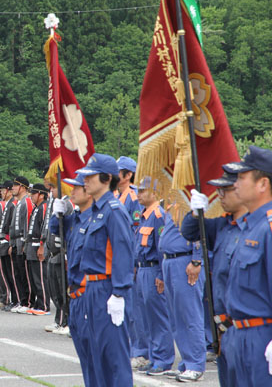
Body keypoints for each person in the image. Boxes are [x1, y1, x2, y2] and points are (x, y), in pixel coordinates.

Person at [181, 167, 247, 387]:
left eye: (226, 190)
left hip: (250, 328)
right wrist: (194, 213)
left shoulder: (260, 227)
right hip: (224, 328)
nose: (220, 197)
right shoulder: (223, 226)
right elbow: (190, 232)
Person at [75, 153, 135, 386]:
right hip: (93, 287)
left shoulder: (114, 210)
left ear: (106, 178)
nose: (85, 180)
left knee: (114, 358)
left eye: (90, 176)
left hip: (108, 289)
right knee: (97, 355)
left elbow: (123, 253)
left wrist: (119, 292)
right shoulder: (97, 210)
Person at [220, 146, 272, 386]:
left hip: (261, 337)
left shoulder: (268, 227)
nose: (236, 183)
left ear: (262, 184)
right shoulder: (250, 224)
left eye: (242, 177)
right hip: (238, 333)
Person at [51, 174, 104, 386]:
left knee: (98, 352)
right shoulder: (76, 218)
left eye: (76, 188)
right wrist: (58, 215)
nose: (71, 192)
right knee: (83, 350)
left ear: (89, 192)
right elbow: (56, 231)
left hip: (92, 290)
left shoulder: (98, 217)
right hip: (75, 293)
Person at [158, 203, 206, 382]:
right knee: (177, 317)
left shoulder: (188, 202)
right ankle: (186, 363)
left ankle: (196, 365)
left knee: (190, 315)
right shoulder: (174, 202)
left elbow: (198, 230)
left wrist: (196, 260)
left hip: (184, 260)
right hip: (170, 261)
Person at [134, 177, 175, 375]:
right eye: (138, 190)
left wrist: (160, 273)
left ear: (156, 193)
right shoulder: (145, 215)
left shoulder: (158, 215)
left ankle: (163, 359)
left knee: (158, 317)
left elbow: (161, 247)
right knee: (147, 318)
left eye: (143, 191)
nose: (138, 194)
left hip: (153, 270)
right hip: (142, 270)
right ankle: (153, 355)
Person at [116, 156, 149, 369]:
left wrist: (135, 261)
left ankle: (141, 351)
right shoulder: (118, 195)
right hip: (119, 258)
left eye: (118, 171)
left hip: (131, 259)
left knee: (136, 309)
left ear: (128, 175)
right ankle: (129, 347)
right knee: (125, 308)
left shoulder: (134, 196)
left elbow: (136, 230)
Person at [43, 179, 70, 335]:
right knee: (55, 291)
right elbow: (52, 228)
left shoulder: (68, 205)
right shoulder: (58, 203)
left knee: (63, 291)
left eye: (53, 187)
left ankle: (66, 322)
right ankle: (59, 320)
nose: (51, 190)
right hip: (53, 253)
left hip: (62, 253)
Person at [9, 176, 34, 314]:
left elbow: (27, 224)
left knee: (25, 274)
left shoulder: (26, 202)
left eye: (15, 185)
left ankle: (28, 301)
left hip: (22, 242)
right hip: (16, 242)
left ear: (23, 187)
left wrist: (25, 242)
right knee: (18, 273)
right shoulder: (18, 203)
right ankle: (22, 300)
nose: (13, 188)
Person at [25, 183, 50, 315]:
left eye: (34, 194)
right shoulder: (37, 208)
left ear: (41, 194)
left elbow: (44, 228)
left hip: (39, 244)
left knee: (41, 277)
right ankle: (38, 304)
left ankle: (44, 305)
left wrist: (42, 246)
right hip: (32, 244)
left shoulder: (44, 207)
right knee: (34, 277)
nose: (31, 196)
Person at [0, 180, 21, 311]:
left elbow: (11, 227)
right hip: (3, 241)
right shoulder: (8, 204)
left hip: (8, 242)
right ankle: (13, 299)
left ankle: (16, 299)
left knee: (12, 274)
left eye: (3, 190)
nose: (1, 193)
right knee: (7, 273)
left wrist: (10, 242)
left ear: (9, 191)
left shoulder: (13, 204)